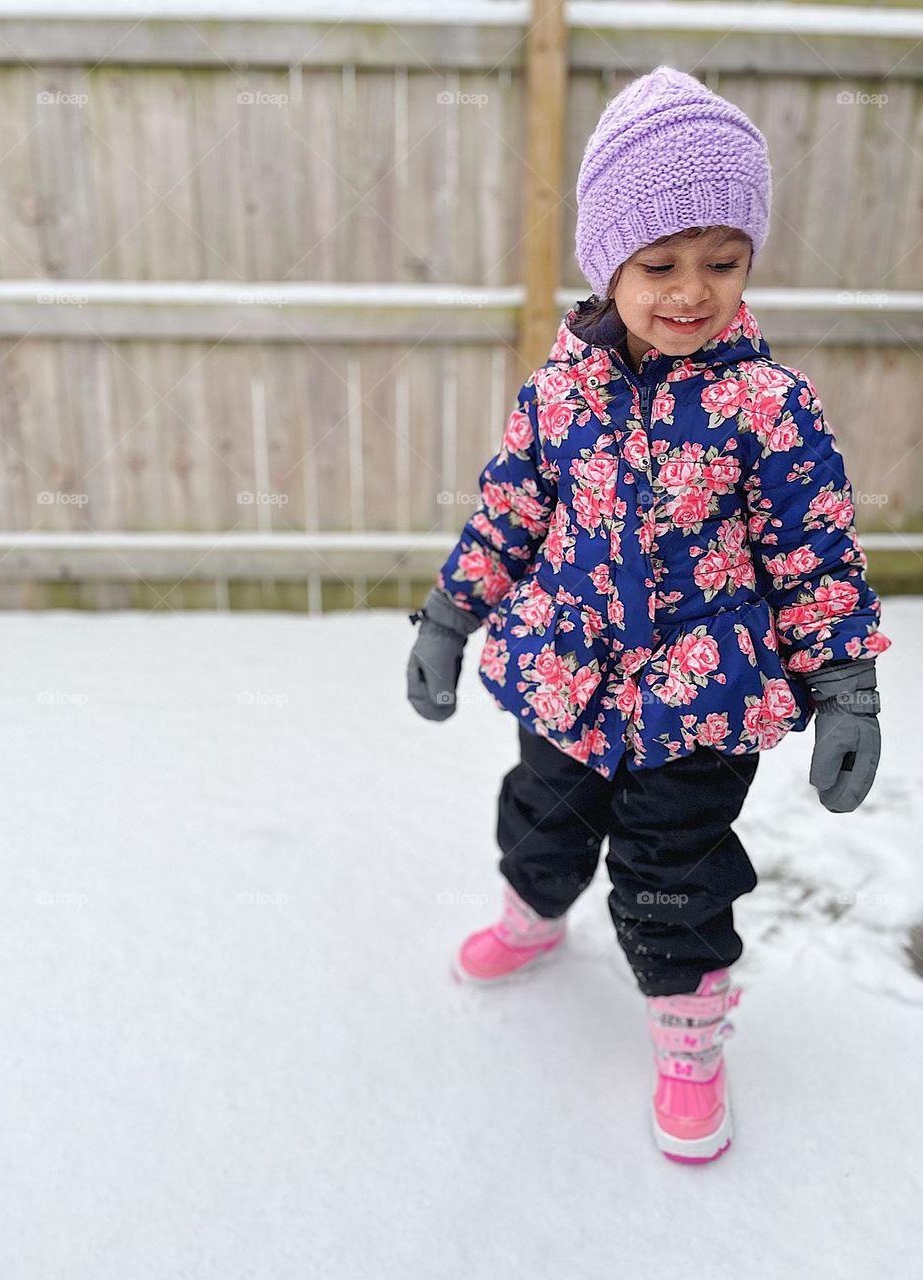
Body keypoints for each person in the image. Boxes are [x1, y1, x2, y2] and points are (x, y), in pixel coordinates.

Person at [405, 65, 892, 1164]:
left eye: (723, 262)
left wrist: (846, 684)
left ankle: (688, 1035)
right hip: (566, 675)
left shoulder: (769, 406)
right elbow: (509, 512)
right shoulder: (558, 392)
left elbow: (816, 552)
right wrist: (448, 614)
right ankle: (535, 911)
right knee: (540, 810)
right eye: (659, 263)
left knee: (673, 871)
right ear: (607, 263)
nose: (692, 289)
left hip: (702, 697)